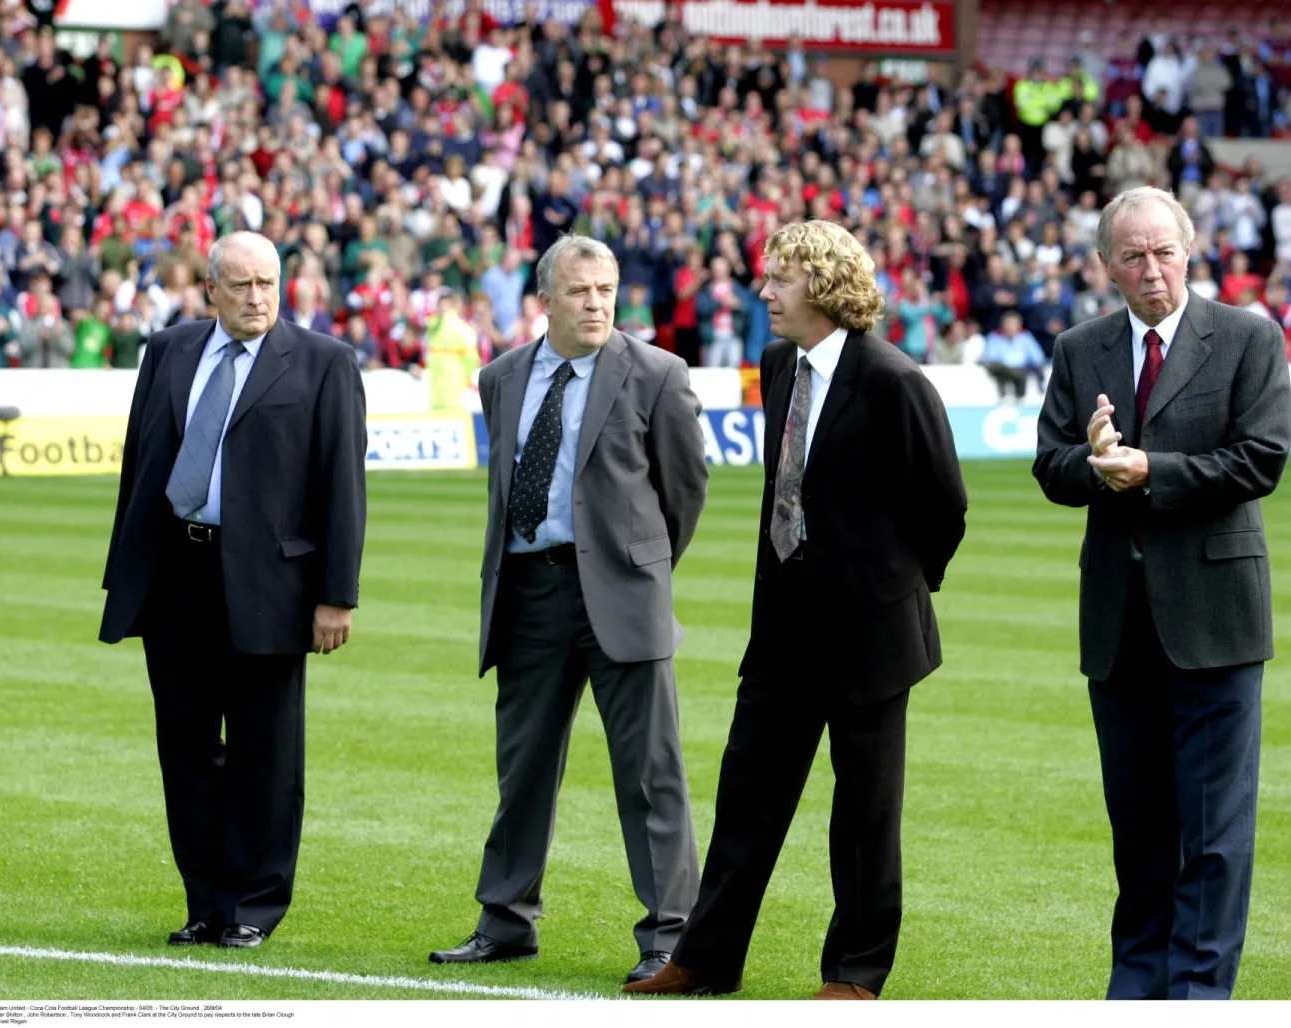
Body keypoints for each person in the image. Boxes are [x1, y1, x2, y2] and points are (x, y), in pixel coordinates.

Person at [627, 219, 967, 1000]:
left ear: (820, 284)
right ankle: (705, 956)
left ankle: (854, 972)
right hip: (783, 630)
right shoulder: (780, 362)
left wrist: (891, 591)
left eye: (777, 277)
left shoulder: (893, 379)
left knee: (864, 814)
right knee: (747, 795)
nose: (763, 290)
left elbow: (942, 507)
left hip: (870, 636)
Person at [429, 234, 709, 985]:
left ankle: (670, 936)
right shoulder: (501, 377)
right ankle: (506, 923)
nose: (596, 303)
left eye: (606, 290)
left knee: (651, 776)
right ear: (544, 300)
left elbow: (685, 493)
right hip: (528, 595)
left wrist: (637, 568)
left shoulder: (658, 374)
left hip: (622, 595)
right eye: (580, 291)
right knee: (522, 771)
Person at [1034, 186, 1291, 1000]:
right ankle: (1135, 990)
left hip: (1215, 619)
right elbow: (1051, 466)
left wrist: (1150, 472)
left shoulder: (1248, 337)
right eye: (1134, 257)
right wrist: (1094, 461)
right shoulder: (1082, 348)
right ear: (1106, 266)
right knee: (1139, 829)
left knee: (1215, 836)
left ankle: (1198, 999)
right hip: (1120, 624)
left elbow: (1262, 461)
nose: (1153, 271)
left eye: (1166, 252)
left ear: (1191, 250)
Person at [99, 231, 367, 949]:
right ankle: (206, 902)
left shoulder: (324, 363)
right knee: (186, 751)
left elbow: (343, 486)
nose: (257, 298)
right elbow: (142, 462)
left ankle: (253, 905)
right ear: (210, 289)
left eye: (268, 284)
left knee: (266, 756)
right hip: (177, 577)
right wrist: (126, 571)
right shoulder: (168, 351)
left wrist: (337, 594)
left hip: (270, 587)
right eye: (242, 285)